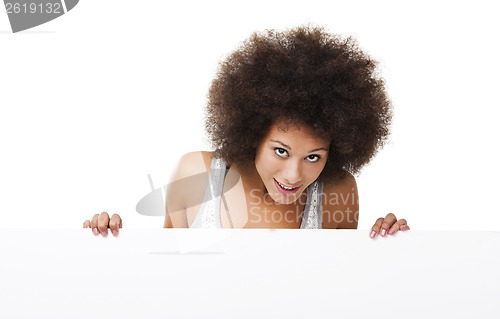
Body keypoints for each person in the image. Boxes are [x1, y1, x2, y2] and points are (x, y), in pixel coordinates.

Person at [83, 25, 409, 238]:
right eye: (281, 151)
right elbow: (166, 270)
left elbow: (339, 286)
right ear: (253, 133)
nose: (294, 174)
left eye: (313, 156)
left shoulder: (338, 191)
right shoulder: (196, 173)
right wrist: (111, 238)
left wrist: (385, 243)